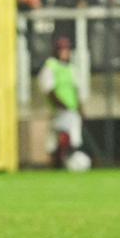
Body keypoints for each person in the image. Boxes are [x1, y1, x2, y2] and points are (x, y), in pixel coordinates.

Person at [38, 37, 85, 168]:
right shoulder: (51, 66)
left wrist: (79, 107)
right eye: (62, 50)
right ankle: (67, 156)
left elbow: (76, 89)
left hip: (70, 108)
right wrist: (60, 105)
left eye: (67, 50)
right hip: (59, 109)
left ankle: (64, 158)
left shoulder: (71, 67)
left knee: (60, 133)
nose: (65, 53)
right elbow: (49, 90)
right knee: (69, 129)